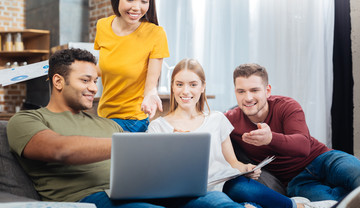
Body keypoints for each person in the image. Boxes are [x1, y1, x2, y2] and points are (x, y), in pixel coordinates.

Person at [6, 48, 254, 208]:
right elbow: (61, 150)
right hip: (92, 198)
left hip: (141, 192)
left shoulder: (108, 124)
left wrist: (171, 151)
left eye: (95, 81)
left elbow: (145, 161)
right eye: (85, 80)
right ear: (58, 81)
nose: (94, 88)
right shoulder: (27, 120)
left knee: (217, 201)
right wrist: (134, 146)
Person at [147, 58, 325, 208]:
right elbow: (153, 174)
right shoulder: (158, 127)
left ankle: (297, 205)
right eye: (179, 84)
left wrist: (246, 169)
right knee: (219, 201)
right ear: (172, 87)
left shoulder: (216, 119)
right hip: (184, 190)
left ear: (202, 87)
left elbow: (233, 162)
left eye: (193, 84)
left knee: (245, 188)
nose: (186, 91)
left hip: (222, 183)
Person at [225, 63, 360, 202]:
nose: (247, 97)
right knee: (335, 201)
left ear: (267, 90)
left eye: (254, 90)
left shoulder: (286, 106)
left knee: (356, 173)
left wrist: (270, 138)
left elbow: (303, 147)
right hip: (296, 181)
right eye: (241, 91)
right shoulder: (228, 121)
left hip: (322, 159)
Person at [94, 0, 170, 132]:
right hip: (103, 117)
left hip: (133, 121)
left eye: (144, 1)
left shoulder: (155, 34)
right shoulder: (102, 26)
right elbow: (103, 67)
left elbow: (151, 85)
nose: (137, 7)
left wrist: (151, 95)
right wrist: (71, 72)